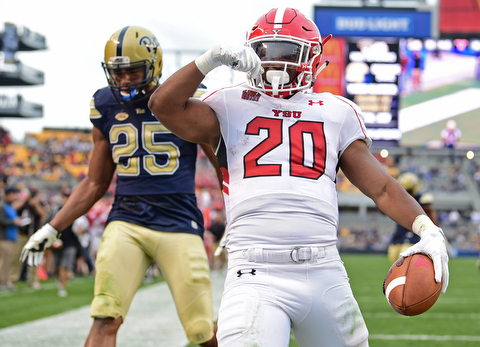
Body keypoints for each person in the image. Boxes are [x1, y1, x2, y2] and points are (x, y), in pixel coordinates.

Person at [147, 7, 450, 346]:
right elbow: (163, 106)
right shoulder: (228, 104)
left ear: (313, 57)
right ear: (250, 53)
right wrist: (211, 59)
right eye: (266, 52)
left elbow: (381, 187)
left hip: (323, 270)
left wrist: (427, 229)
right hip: (253, 270)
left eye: (288, 52)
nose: (276, 63)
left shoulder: (336, 111)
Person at [20, 26, 220, 347]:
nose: (124, 80)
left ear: (153, 65)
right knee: (105, 316)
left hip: (180, 222)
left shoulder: (190, 98)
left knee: (200, 330)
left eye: (132, 71)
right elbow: (96, 181)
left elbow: (221, 166)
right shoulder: (105, 104)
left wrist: (241, 220)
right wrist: (52, 228)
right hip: (126, 221)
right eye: (117, 72)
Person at [388, 172, 439, 263]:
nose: (407, 193)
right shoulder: (398, 199)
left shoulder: (422, 199)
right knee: (395, 263)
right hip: (399, 236)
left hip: (414, 237)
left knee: (407, 265)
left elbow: (432, 218)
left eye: (409, 190)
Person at [11, 185, 47, 289]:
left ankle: (33, 280)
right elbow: (14, 208)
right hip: (22, 234)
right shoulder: (22, 203)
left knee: (34, 258)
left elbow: (44, 215)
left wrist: (36, 204)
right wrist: (24, 200)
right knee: (17, 257)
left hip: (35, 235)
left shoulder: (38, 204)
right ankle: (12, 279)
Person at [0, 186, 23, 291]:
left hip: (12, 237)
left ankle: (6, 281)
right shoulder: (2, 206)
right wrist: (14, 222)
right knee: (4, 261)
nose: (13, 196)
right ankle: (2, 281)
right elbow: (1, 220)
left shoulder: (10, 206)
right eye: (12, 194)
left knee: (10, 261)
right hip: (4, 238)